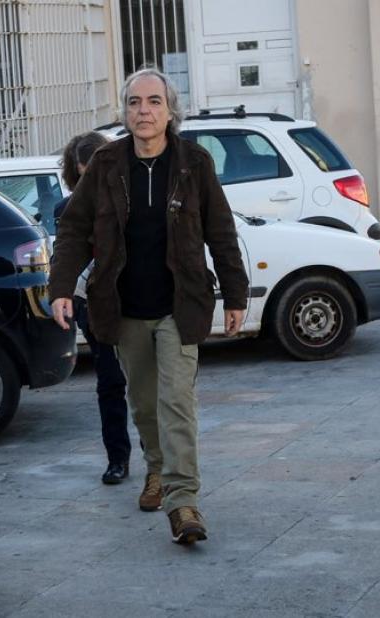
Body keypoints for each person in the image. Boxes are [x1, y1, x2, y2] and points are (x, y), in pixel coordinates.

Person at [49, 67, 249, 544]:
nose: (144, 111)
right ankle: (156, 467)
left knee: (176, 401)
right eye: (135, 102)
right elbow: (74, 229)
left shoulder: (195, 163)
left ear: (170, 111)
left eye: (154, 102)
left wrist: (235, 293)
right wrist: (60, 287)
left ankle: (183, 503)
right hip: (123, 307)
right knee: (143, 405)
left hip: (180, 305)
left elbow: (221, 231)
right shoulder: (105, 164)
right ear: (124, 112)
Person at [53, 131, 133, 485]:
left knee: (145, 384)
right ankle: (118, 458)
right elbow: (66, 254)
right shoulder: (67, 210)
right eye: (85, 175)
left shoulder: (131, 200)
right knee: (110, 381)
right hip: (92, 302)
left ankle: (156, 458)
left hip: (135, 298)